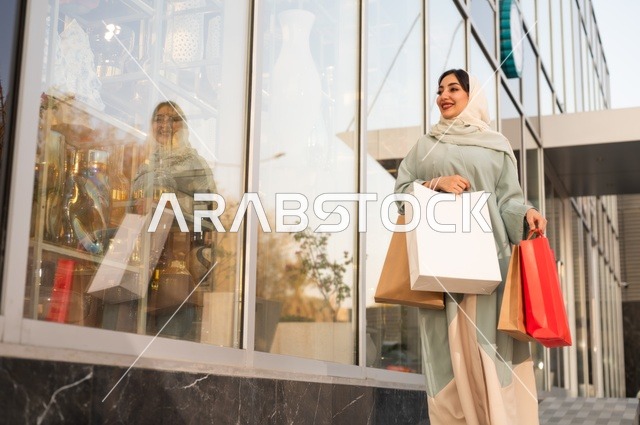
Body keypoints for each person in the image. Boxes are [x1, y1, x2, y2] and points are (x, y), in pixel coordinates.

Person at [395, 69, 546, 425]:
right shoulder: (425, 145)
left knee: (488, 350)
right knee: (448, 353)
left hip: (488, 263)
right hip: (439, 269)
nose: (444, 96)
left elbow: (509, 200)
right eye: (440, 90)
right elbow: (401, 195)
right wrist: (435, 183)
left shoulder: (496, 145)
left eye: (453, 89)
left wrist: (529, 215)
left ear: (471, 95)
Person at [132, 101, 217, 340]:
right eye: (159, 118)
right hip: (146, 258)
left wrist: (173, 205)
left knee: (170, 340)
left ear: (184, 126)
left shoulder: (195, 164)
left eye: (174, 119)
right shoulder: (148, 164)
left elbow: (209, 213)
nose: (165, 125)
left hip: (178, 259)